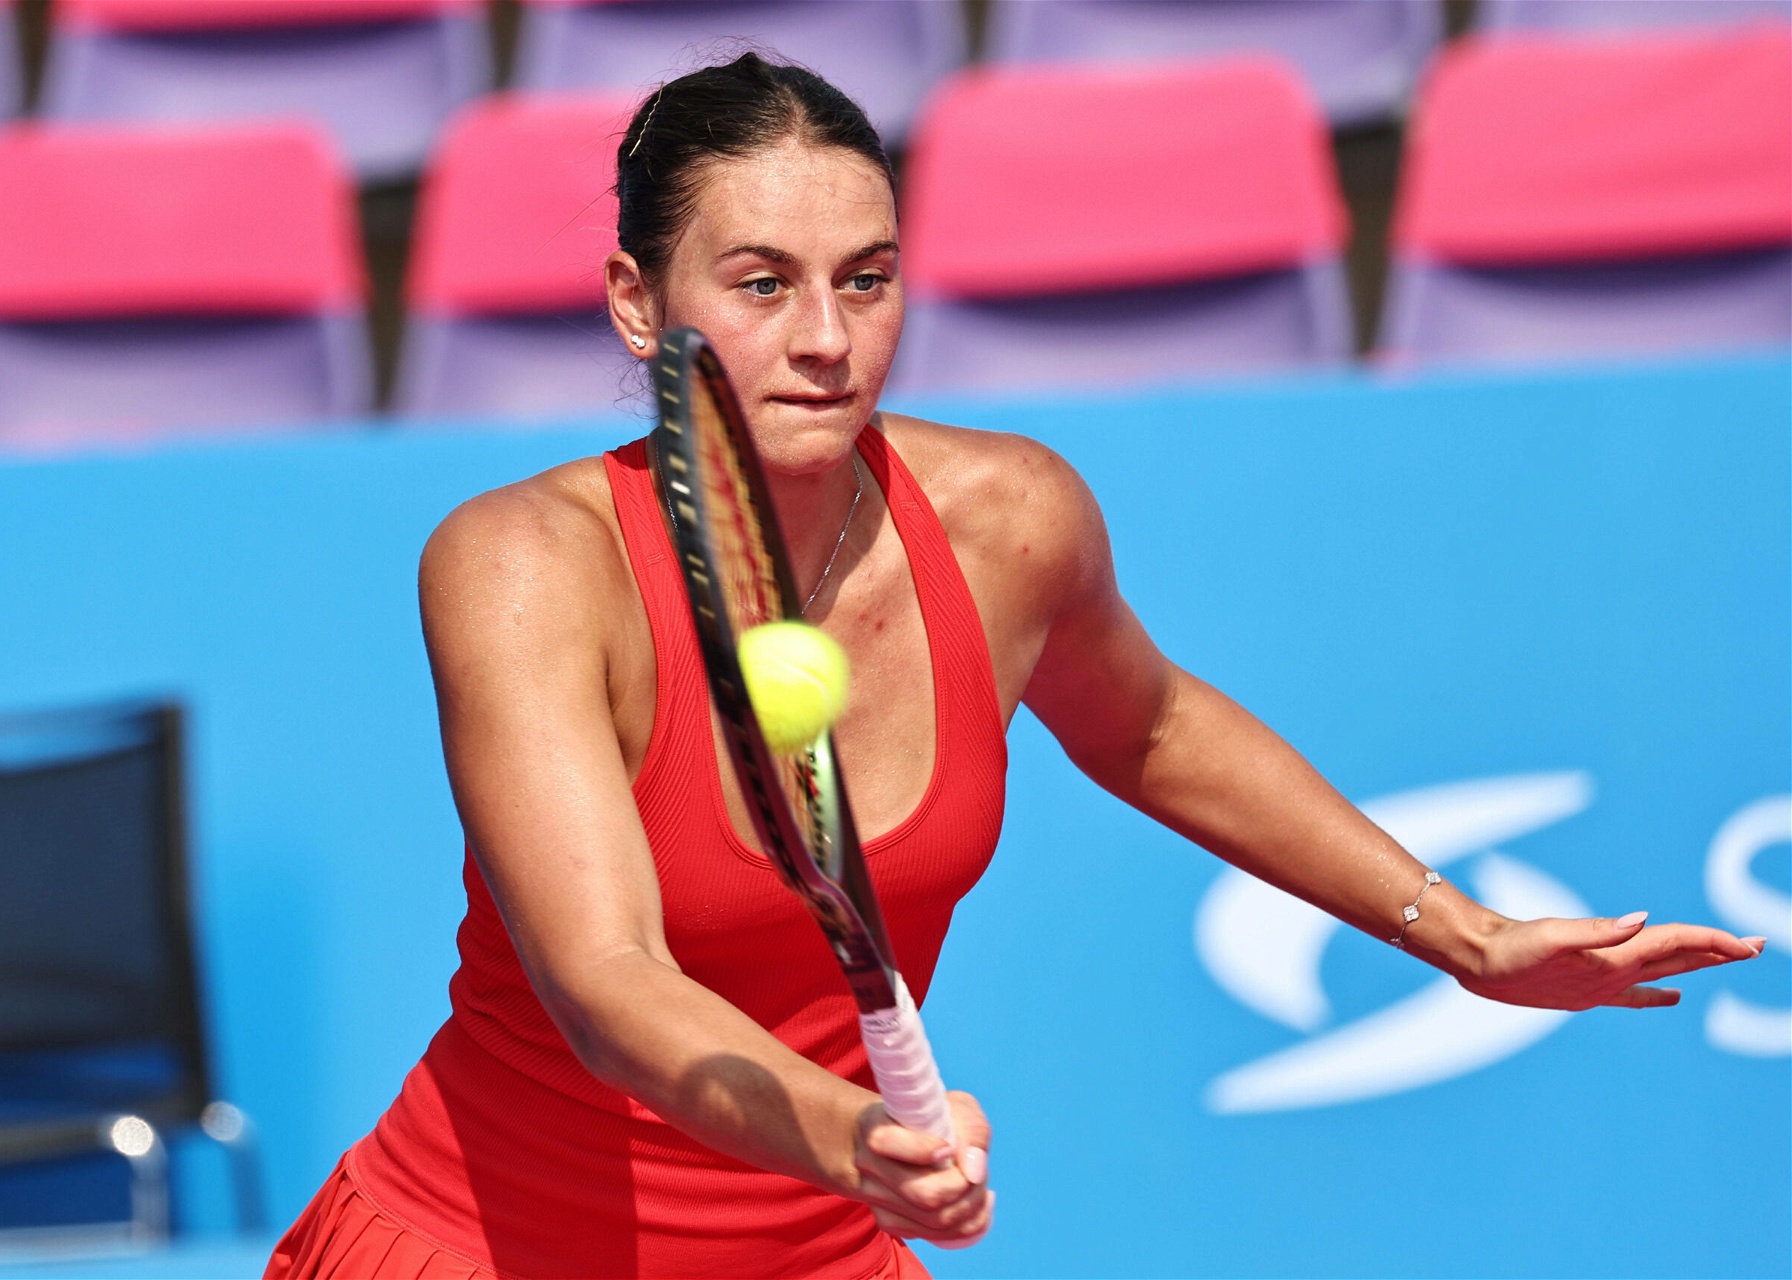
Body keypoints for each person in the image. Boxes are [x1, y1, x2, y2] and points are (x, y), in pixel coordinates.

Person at [267, 52, 1765, 1280]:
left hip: (827, 1252)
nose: (827, 339)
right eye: (760, 283)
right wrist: (854, 1139)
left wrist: (1464, 936)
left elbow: (1157, 728)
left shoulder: (1007, 521)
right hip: (491, 1248)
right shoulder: (526, 564)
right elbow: (606, 981)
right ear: (639, 303)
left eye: (866, 279)